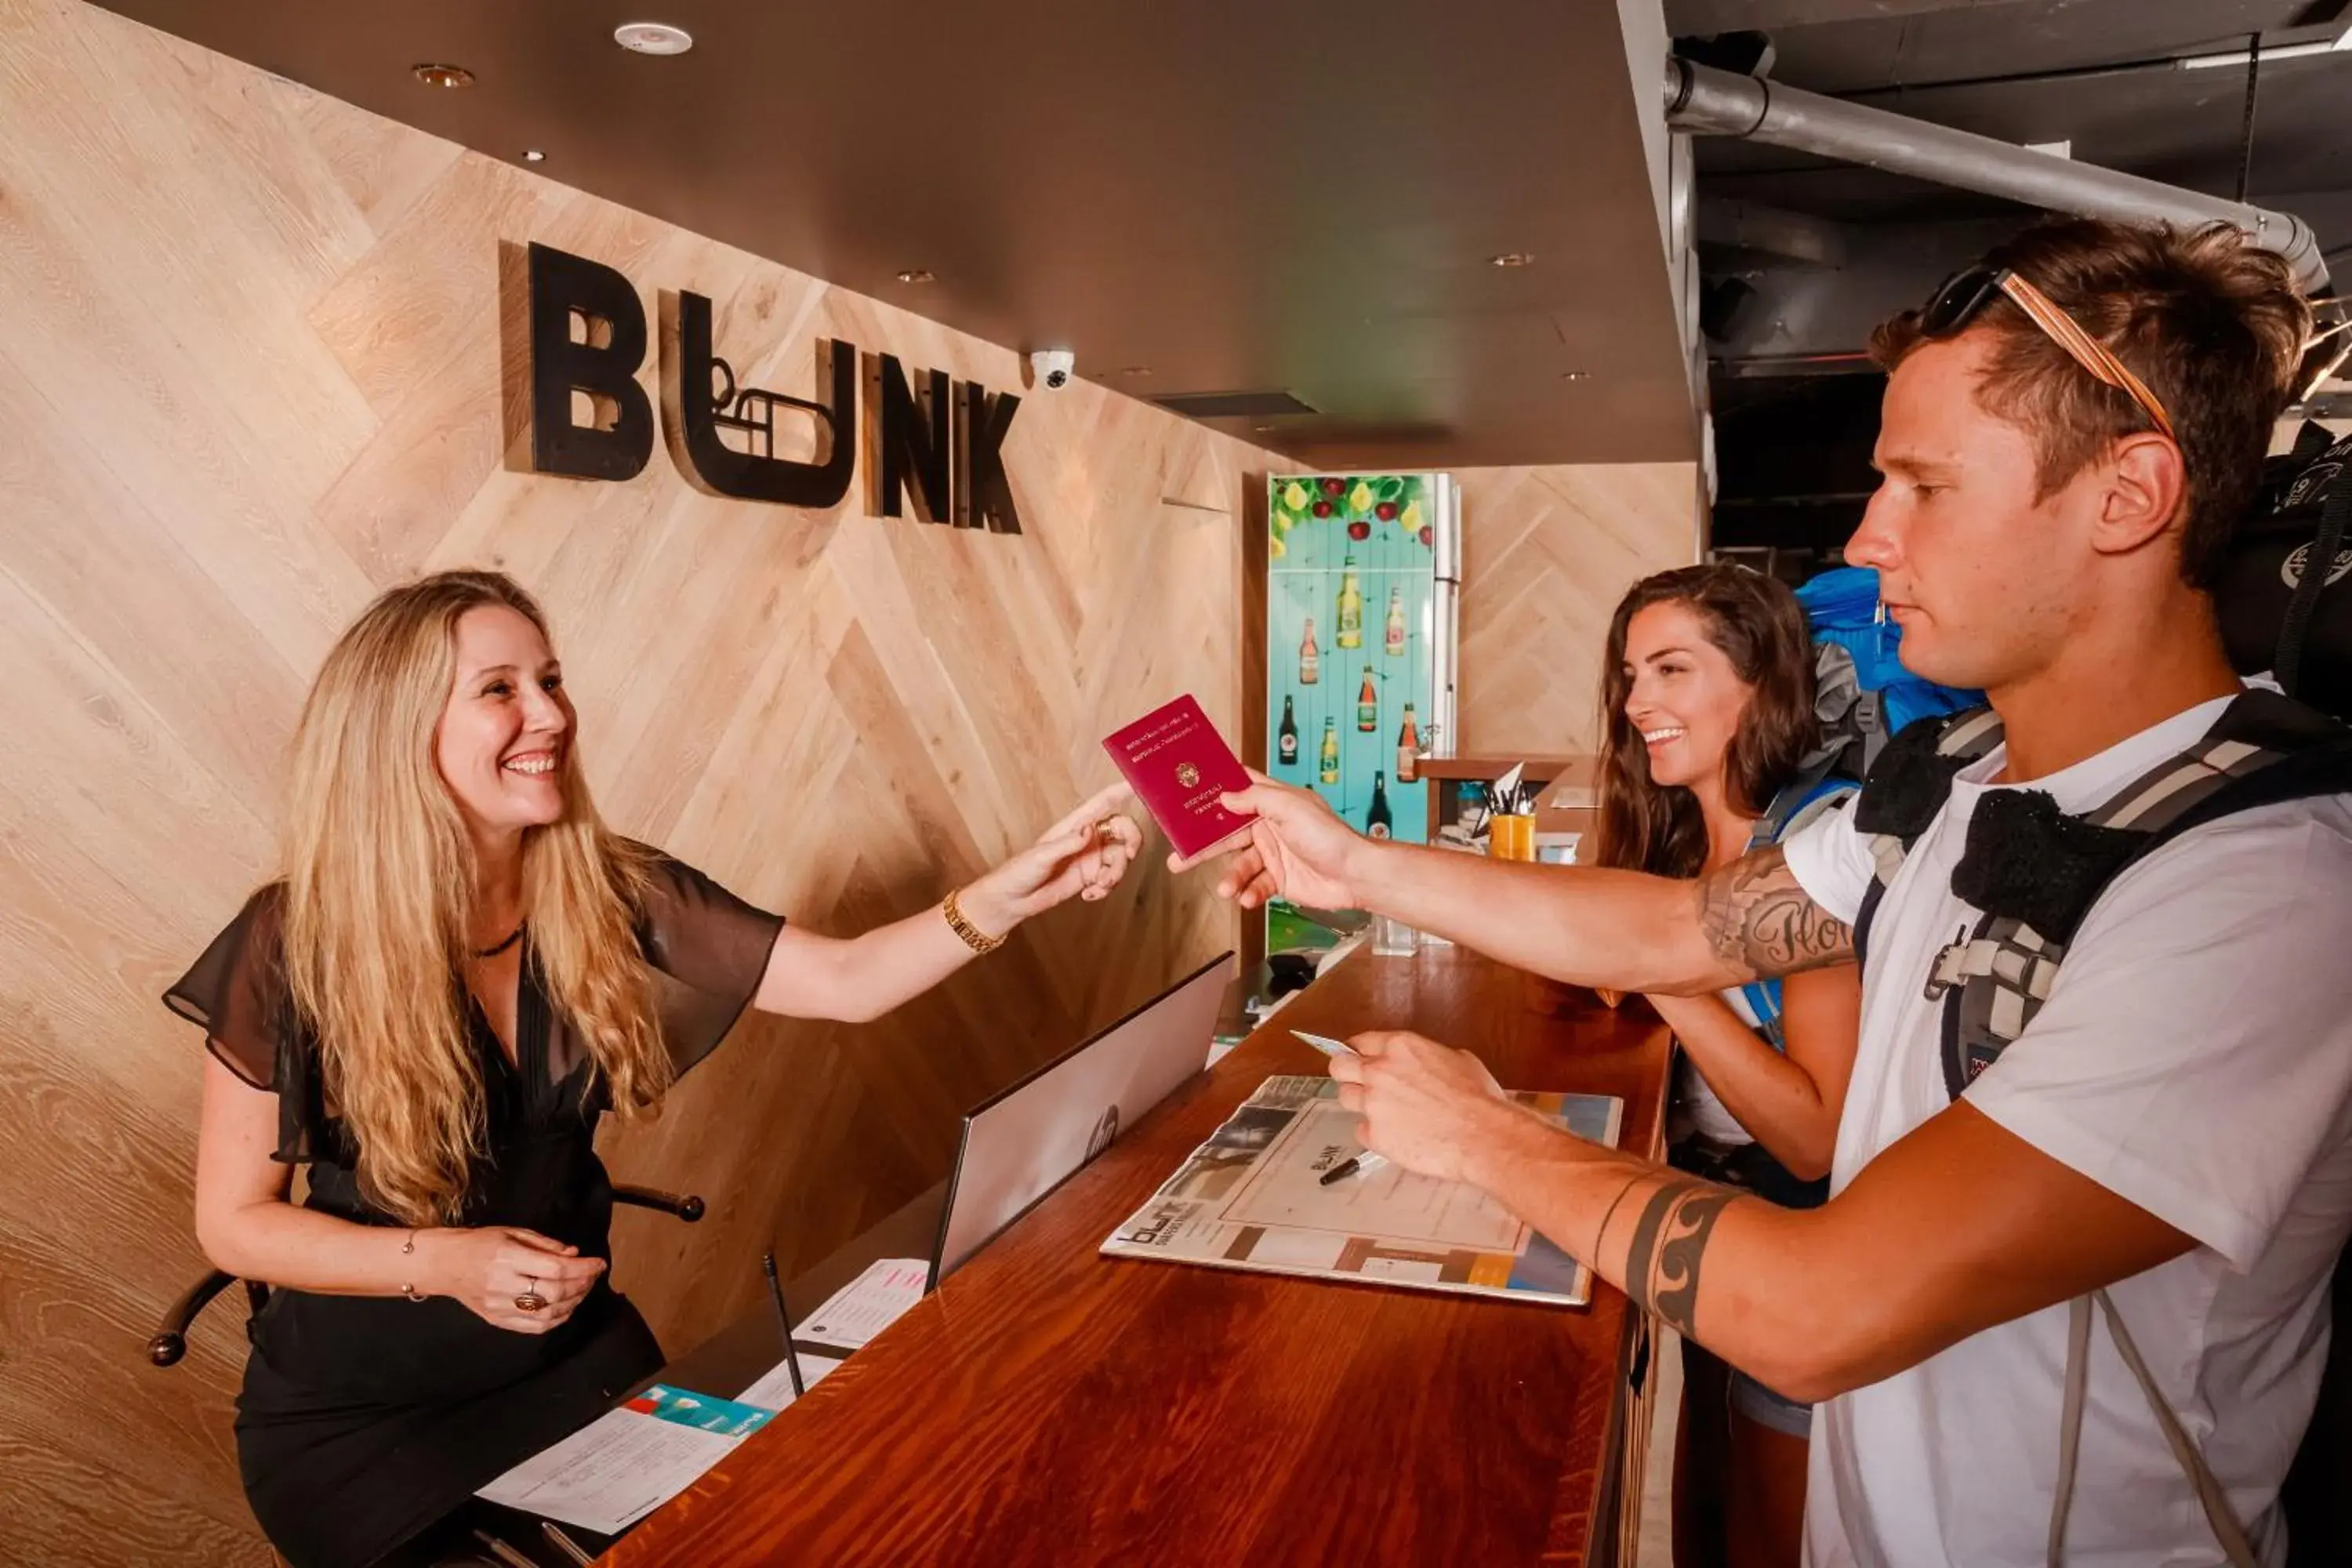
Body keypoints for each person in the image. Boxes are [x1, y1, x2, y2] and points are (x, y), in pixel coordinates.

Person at [1191, 220, 2351, 1564]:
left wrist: (1483, 1135)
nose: (1867, 543)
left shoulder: (2263, 887)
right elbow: (1687, 926)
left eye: (1925, 488)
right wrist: (1355, 861)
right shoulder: (1951, 785)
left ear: (2129, 496)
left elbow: (1820, 1310)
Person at [172, 570, 1145, 1568]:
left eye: (550, 678)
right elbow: (234, 1220)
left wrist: (1017, 894)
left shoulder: (605, 884)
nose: (550, 712)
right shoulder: (292, 940)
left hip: (572, 1363)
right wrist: (448, 1262)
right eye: (500, 688)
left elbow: (848, 979)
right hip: (358, 1424)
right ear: (396, 731)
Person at [1590, 564, 1862, 1568]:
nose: (1637, 703)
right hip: (1711, 1233)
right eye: (1631, 673)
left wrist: (1656, 972)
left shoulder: (1815, 845)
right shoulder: (1685, 847)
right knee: (1702, 1518)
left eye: (1671, 668)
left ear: (1762, 683)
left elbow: (1813, 1134)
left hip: (1798, 1251)